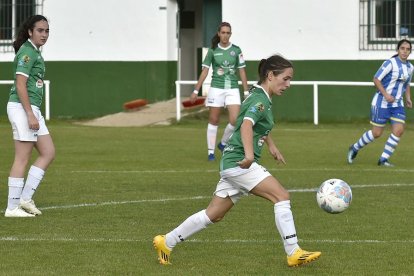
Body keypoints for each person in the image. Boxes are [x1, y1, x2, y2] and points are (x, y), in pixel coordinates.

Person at [154, 54, 321, 267]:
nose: (288, 84)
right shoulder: (259, 100)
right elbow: (246, 125)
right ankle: (293, 252)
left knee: (213, 215)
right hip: (240, 163)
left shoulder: (260, 96)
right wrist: (250, 156)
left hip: (232, 163)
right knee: (281, 196)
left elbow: (256, 124)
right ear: (271, 75)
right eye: (286, 78)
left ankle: (166, 242)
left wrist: (271, 145)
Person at [4, 15, 55, 217]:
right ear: (30, 32)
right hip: (23, 108)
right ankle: (12, 207)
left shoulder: (34, 52)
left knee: (48, 152)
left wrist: (33, 113)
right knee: (22, 157)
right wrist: (29, 114)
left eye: (47, 31)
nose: (44, 34)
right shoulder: (27, 52)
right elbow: (20, 84)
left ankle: (25, 198)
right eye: (40, 30)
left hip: (32, 109)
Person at [347, 39, 413, 166]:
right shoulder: (390, 63)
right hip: (381, 103)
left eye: (407, 49)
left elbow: (407, 84)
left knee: (399, 130)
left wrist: (408, 98)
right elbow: (376, 79)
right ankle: (354, 148)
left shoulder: (410, 68)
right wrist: (386, 94)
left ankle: (383, 159)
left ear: (410, 52)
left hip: (397, 104)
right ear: (398, 50)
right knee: (376, 133)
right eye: (402, 48)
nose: (405, 51)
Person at [190, 22, 249, 161]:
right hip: (216, 88)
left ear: (230, 34)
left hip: (232, 88)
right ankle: (210, 152)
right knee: (214, 119)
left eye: (228, 33)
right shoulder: (212, 51)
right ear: (218, 33)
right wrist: (195, 90)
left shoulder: (236, 50)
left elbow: (242, 70)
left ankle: (222, 143)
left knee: (235, 120)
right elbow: (205, 71)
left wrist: (246, 91)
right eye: (223, 32)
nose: (225, 35)